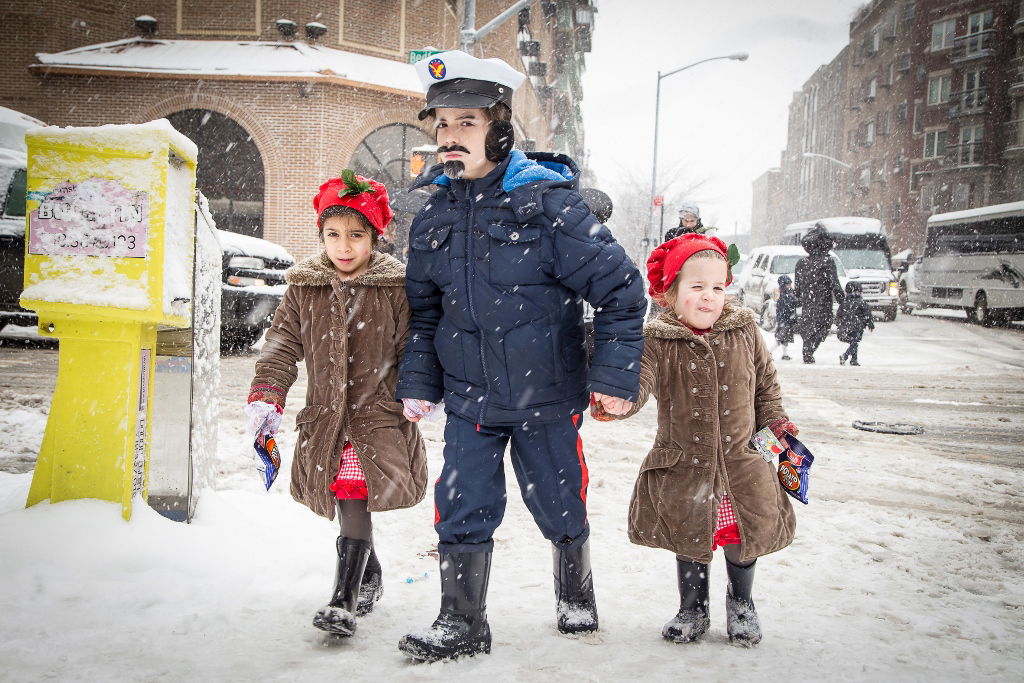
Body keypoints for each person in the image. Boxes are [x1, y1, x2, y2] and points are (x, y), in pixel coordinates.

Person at [395, 50, 646, 662]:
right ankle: (461, 621)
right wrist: (419, 382)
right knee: (461, 502)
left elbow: (622, 291)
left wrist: (614, 376)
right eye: (443, 125)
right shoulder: (431, 218)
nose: (450, 138)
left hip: (546, 395)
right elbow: (426, 315)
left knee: (558, 503)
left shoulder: (548, 205)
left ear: (501, 130)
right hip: (469, 397)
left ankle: (574, 588)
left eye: (466, 124)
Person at [246, 171, 427, 638]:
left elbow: (416, 346)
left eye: (356, 235)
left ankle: (342, 599)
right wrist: (267, 395)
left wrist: (420, 388)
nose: (344, 246)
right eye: (333, 235)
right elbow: (282, 345)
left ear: (374, 237)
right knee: (349, 500)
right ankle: (368, 574)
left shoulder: (395, 288)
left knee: (352, 494)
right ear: (322, 236)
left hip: (378, 419)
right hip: (327, 420)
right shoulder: (304, 288)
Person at [616, 233, 799, 646]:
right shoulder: (658, 340)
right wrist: (617, 400)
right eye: (696, 287)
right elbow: (637, 384)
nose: (708, 297)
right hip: (686, 462)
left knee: (742, 536)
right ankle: (693, 608)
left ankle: (742, 604)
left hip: (742, 460)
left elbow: (766, 387)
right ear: (671, 293)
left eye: (717, 287)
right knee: (691, 535)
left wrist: (776, 426)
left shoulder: (744, 330)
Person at [794, 222, 845, 364]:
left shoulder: (801, 263)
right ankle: (809, 350)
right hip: (823, 301)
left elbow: (797, 288)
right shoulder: (827, 262)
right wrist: (842, 300)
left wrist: (796, 297)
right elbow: (835, 283)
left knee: (809, 326)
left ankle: (807, 348)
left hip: (808, 302)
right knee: (823, 326)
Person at [836, 280, 874, 366]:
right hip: (857, 327)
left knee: (854, 342)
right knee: (855, 342)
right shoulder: (861, 302)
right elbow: (868, 314)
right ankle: (845, 356)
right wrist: (870, 324)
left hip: (844, 329)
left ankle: (854, 359)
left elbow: (839, 314)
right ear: (860, 292)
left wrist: (839, 324)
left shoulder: (844, 303)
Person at [771, 274, 798, 360]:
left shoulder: (787, 293)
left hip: (787, 320)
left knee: (785, 339)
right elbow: (793, 303)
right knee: (780, 339)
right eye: (788, 284)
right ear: (784, 285)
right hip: (785, 320)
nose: (790, 286)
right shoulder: (784, 295)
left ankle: (785, 354)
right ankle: (768, 352)